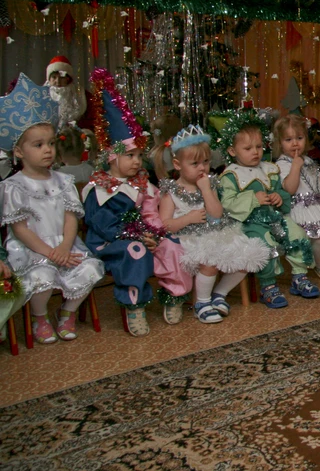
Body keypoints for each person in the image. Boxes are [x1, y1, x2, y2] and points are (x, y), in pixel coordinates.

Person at [83, 69, 192, 335]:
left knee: (174, 247)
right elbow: (101, 224)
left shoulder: (144, 185)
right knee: (135, 251)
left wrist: (155, 232)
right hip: (112, 241)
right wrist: (139, 237)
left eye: (139, 154)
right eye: (130, 155)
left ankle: (174, 296)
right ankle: (135, 306)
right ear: (111, 157)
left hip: (144, 236)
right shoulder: (98, 189)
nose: (137, 161)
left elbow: (151, 214)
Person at [0, 74, 104, 343]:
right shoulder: (13, 186)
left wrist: (65, 248)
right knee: (41, 276)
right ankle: (40, 317)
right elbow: (20, 229)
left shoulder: (64, 181)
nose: (47, 150)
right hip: (33, 249)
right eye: (38, 145)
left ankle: (67, 312)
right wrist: (50, 253)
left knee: (91, 270)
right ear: (19, 152)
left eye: (50, 143)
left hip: (65, 245)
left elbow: (71, 219)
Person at [157, 126, 271, 324]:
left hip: (216, 231)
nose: (202, 168)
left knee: (246, 256)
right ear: (177, 164)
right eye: (194, 163)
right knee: (210, 260)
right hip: (189, 237)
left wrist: (206, 190)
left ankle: (219, 294)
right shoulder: (171, 192)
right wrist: (188, 218)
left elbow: (216, 215)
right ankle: (201, 303)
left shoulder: (210, 184)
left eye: (206, 162)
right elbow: (165, 225)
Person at [217, 111, 318, 309]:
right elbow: (227, 203)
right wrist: (252, 198)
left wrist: (279, 197)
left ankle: (299, 276)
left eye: (259, 146)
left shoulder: (269, 169)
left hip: (275, 217)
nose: (255, 152)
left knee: (297, 233)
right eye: (247, 148)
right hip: (250, 223)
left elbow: (282, 191)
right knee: (266, 244)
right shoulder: (230, 176)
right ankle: (268, 286)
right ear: (232, 151)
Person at [274, 114, 320, 281]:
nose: (295, 143)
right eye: (288, 139)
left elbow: (316, 184)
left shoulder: (307, 160)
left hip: (318, 204)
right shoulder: (282, 163)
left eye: (299, 138)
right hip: (300, 207)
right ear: (280, 143)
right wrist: (294, 167)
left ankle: (313, 252)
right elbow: (290, 188)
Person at [44, 56, 87, 128]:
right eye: (54, 77)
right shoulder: (42, 94)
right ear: (49, 79)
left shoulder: (78, 94)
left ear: (67, 79)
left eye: (61, 77)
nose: (57, 81)